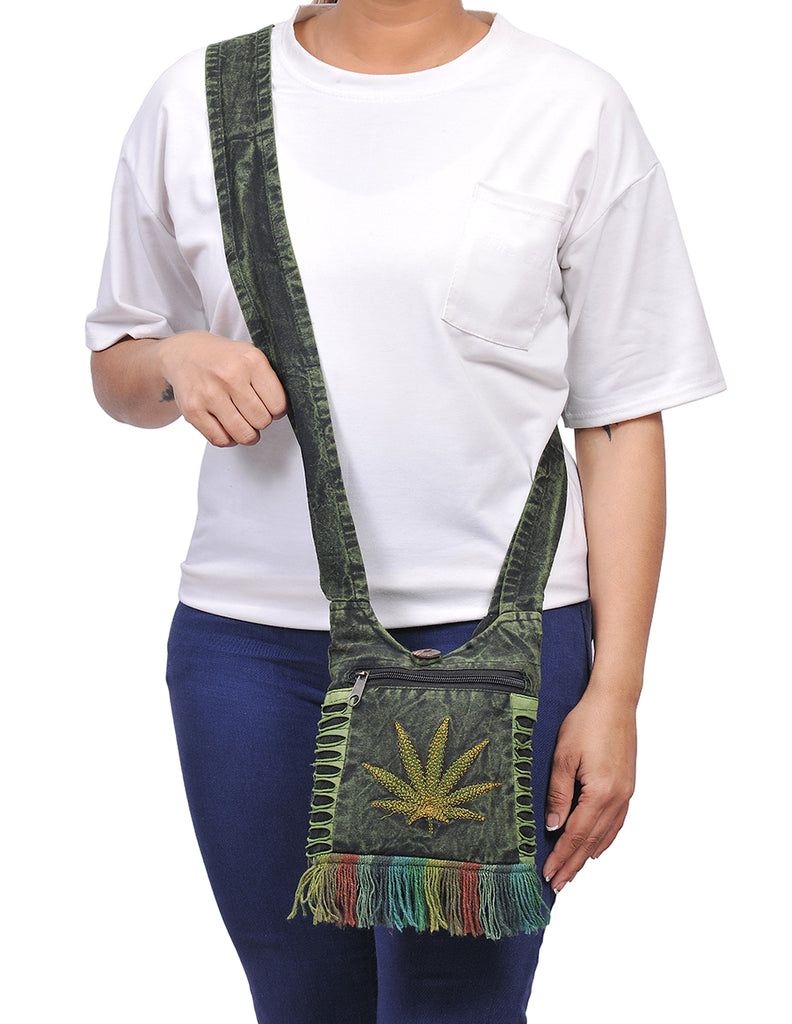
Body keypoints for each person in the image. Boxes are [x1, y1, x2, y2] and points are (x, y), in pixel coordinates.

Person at [86, 2, 725, 1021]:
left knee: (457, 1009)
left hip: (494, 645)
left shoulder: (571, 104)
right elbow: (118, 364)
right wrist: (173, 359)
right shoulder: (196, 101)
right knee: (297, 1003)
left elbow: (618, 418)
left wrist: (619, 692)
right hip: (248, 649)